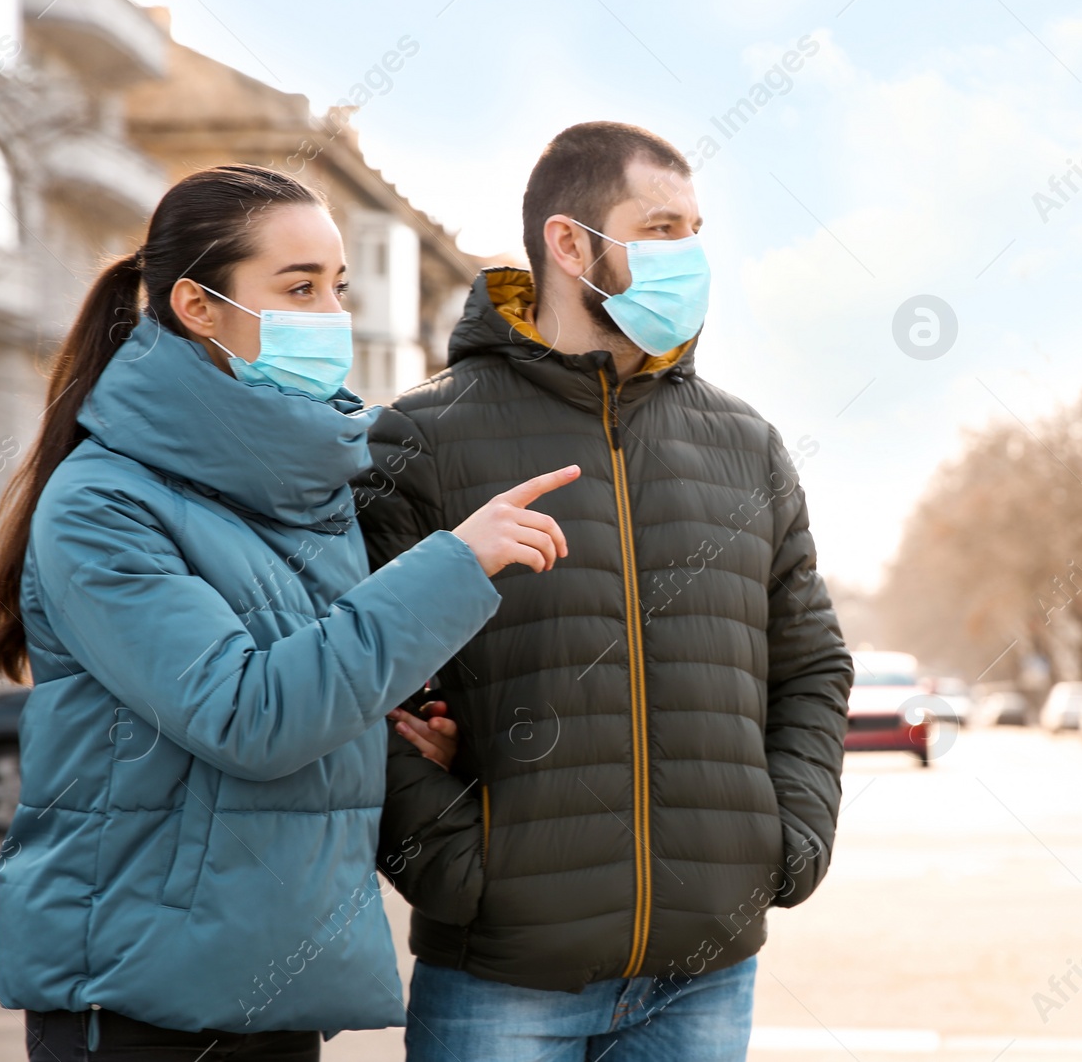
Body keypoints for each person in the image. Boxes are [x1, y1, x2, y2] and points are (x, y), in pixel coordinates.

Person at [0, 164, 579, 1061]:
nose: (330, 312)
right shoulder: (104, 503)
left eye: (336, 286)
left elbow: (318, 684)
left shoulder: (293, 486)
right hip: (143, 1007)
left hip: (272, 987)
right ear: (197, 306)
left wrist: (394, 726)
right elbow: (251, 715)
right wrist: (454, 564)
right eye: (297, 287)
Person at [355, 122, 853, 1061]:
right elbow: (356, 680)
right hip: (500, 975)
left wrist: (786, 842)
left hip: (707, 972)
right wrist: (459, 870)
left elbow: (813, 662)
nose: (690, 255)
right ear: (569, 242)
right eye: (661, 227)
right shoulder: (421, 436)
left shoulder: (747, 445)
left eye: (696, 229)